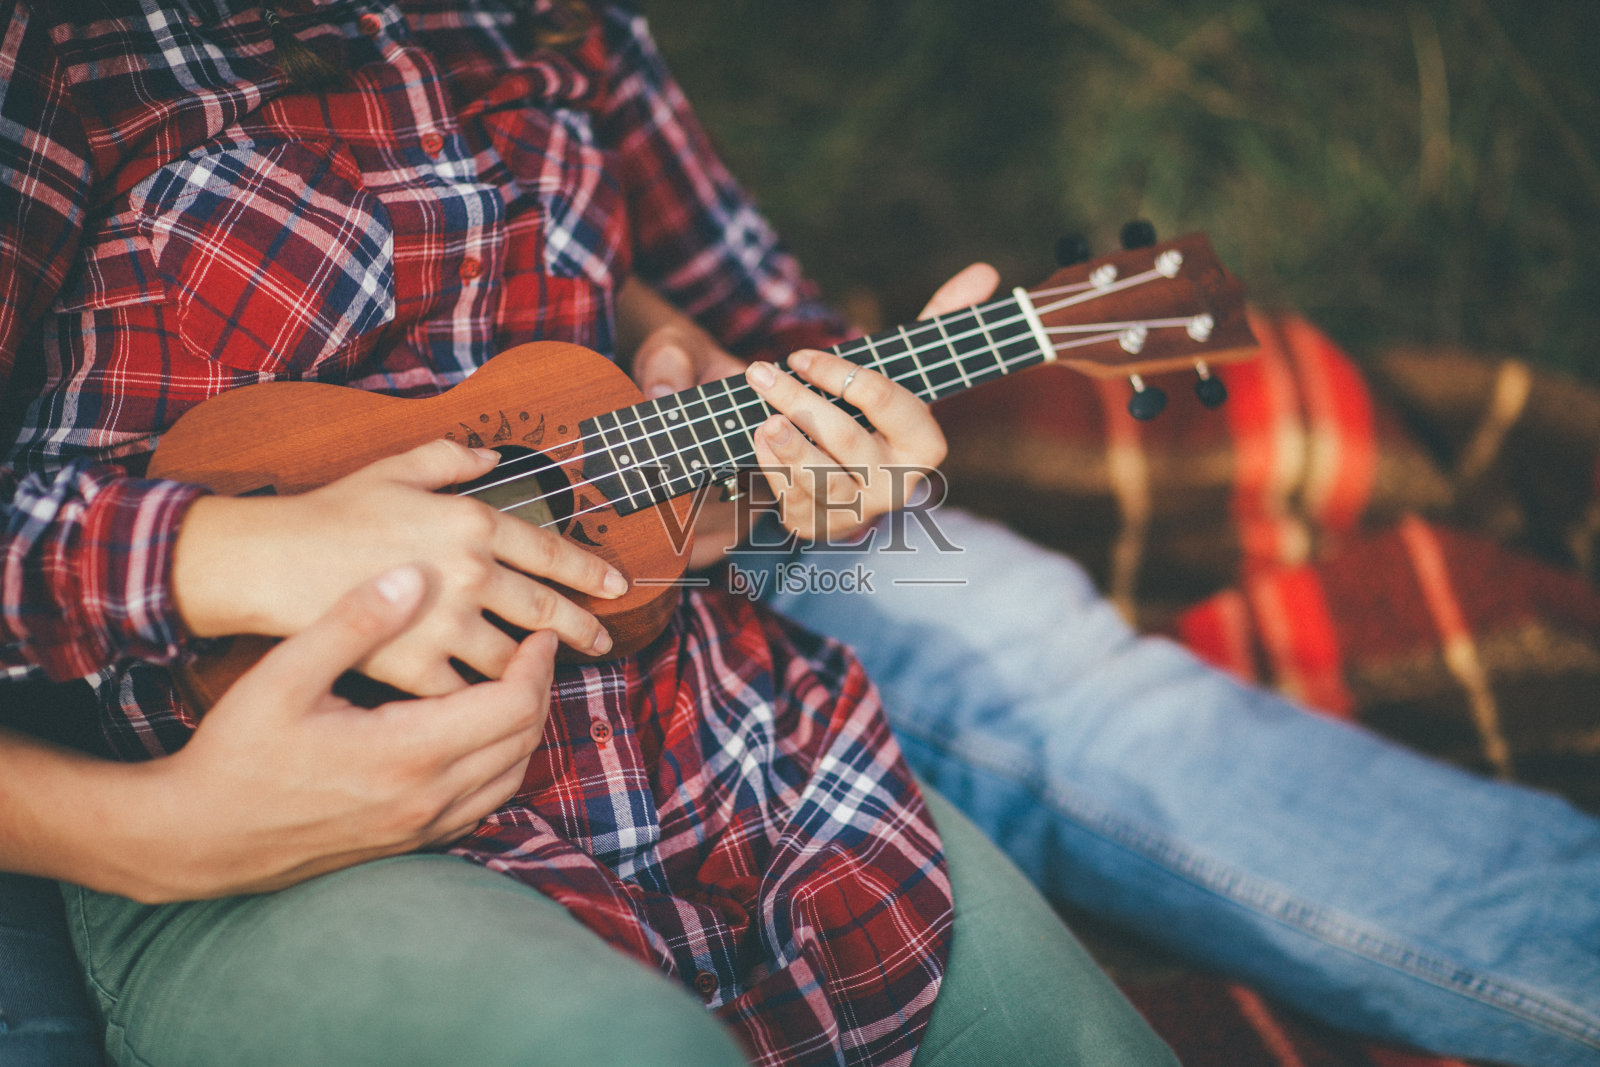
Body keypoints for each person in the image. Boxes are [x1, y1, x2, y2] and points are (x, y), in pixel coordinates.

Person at [0, 2, 1175, 1064]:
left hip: (721, 744)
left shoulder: (565, 23)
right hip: (295, 822)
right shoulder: (62, 42)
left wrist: (813, 471)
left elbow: (763, 336)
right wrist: (237, 554)